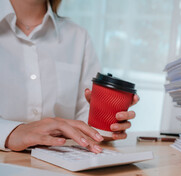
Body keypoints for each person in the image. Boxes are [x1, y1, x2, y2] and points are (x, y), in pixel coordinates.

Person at [0, 0, 138, 153]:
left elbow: (85, 119)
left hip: (61, 163)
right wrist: (10, 132)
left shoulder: (77, 36)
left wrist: (105, 127)